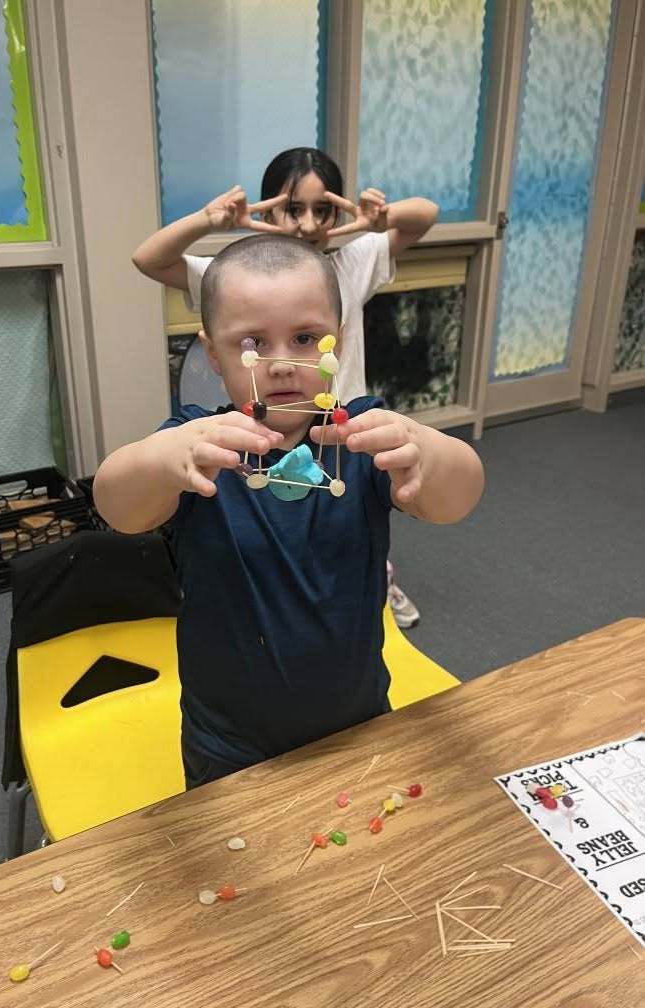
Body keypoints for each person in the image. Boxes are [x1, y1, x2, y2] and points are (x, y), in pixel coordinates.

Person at [95, 235, 484, 788]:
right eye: (253, 343)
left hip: (358, 721)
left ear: (340, 342)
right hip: (229, 744)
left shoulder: (365, 437)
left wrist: (427, 449)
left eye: (305, 339)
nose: (279, 365)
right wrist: (164, 458)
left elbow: (458, 498)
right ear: (213, 353)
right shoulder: (199, 447)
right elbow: (117, 506)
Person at [132, 147, 438, 629]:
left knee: (355, 516)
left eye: (323, 209)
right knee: (273, 522)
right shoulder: (235, 277)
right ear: (269, 208)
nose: (310, 223)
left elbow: (424, 217)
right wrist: (210, 221)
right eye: (294, 208)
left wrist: (375, 218)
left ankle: (377, 578)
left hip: (339, 424)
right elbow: (148, 258)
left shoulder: (348, 266)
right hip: (264, 422)